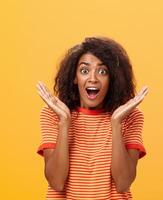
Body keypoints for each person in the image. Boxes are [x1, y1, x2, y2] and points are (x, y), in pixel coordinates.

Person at [35, 37, 149, 199]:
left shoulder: (130, 117)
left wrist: (116, 124)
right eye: (84, 71)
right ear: (74, 78)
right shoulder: (53, 114)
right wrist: (64, 123)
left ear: (112, 79)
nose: (93, 78)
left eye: (102, 71)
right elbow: (56, 182)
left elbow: (123, 183)